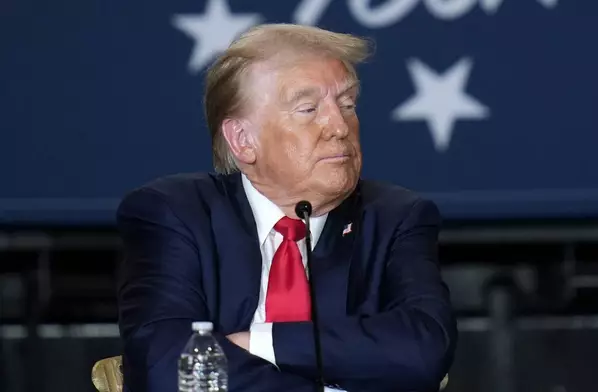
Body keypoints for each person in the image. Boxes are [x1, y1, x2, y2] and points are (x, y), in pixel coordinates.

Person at [116, 23, 456, 392]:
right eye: (308, 109)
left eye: (347, 105)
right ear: (243, 141)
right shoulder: (177, 214)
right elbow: (166, 368)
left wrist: (262, 343)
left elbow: (424, 349)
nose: (339, 126)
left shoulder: (394, 217)